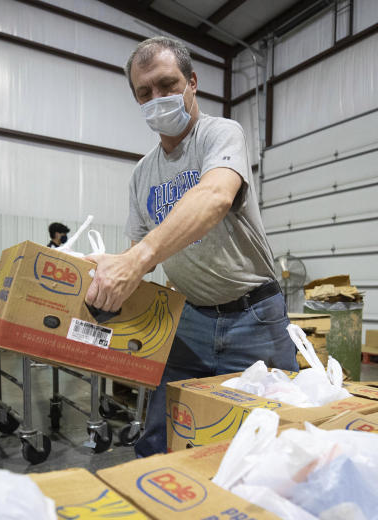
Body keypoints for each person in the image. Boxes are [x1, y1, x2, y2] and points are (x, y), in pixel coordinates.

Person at [84, 37, 297, 457]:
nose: (157, 99)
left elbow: (215, 196)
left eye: (167, 85)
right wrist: (109, 265)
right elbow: (140, 253)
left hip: (254, 316)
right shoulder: (142, 174)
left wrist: (138, 257)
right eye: (144, 93)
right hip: (191, 321)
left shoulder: (220, 134)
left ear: (192, 83)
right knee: (164, 440)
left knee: (271, 445)